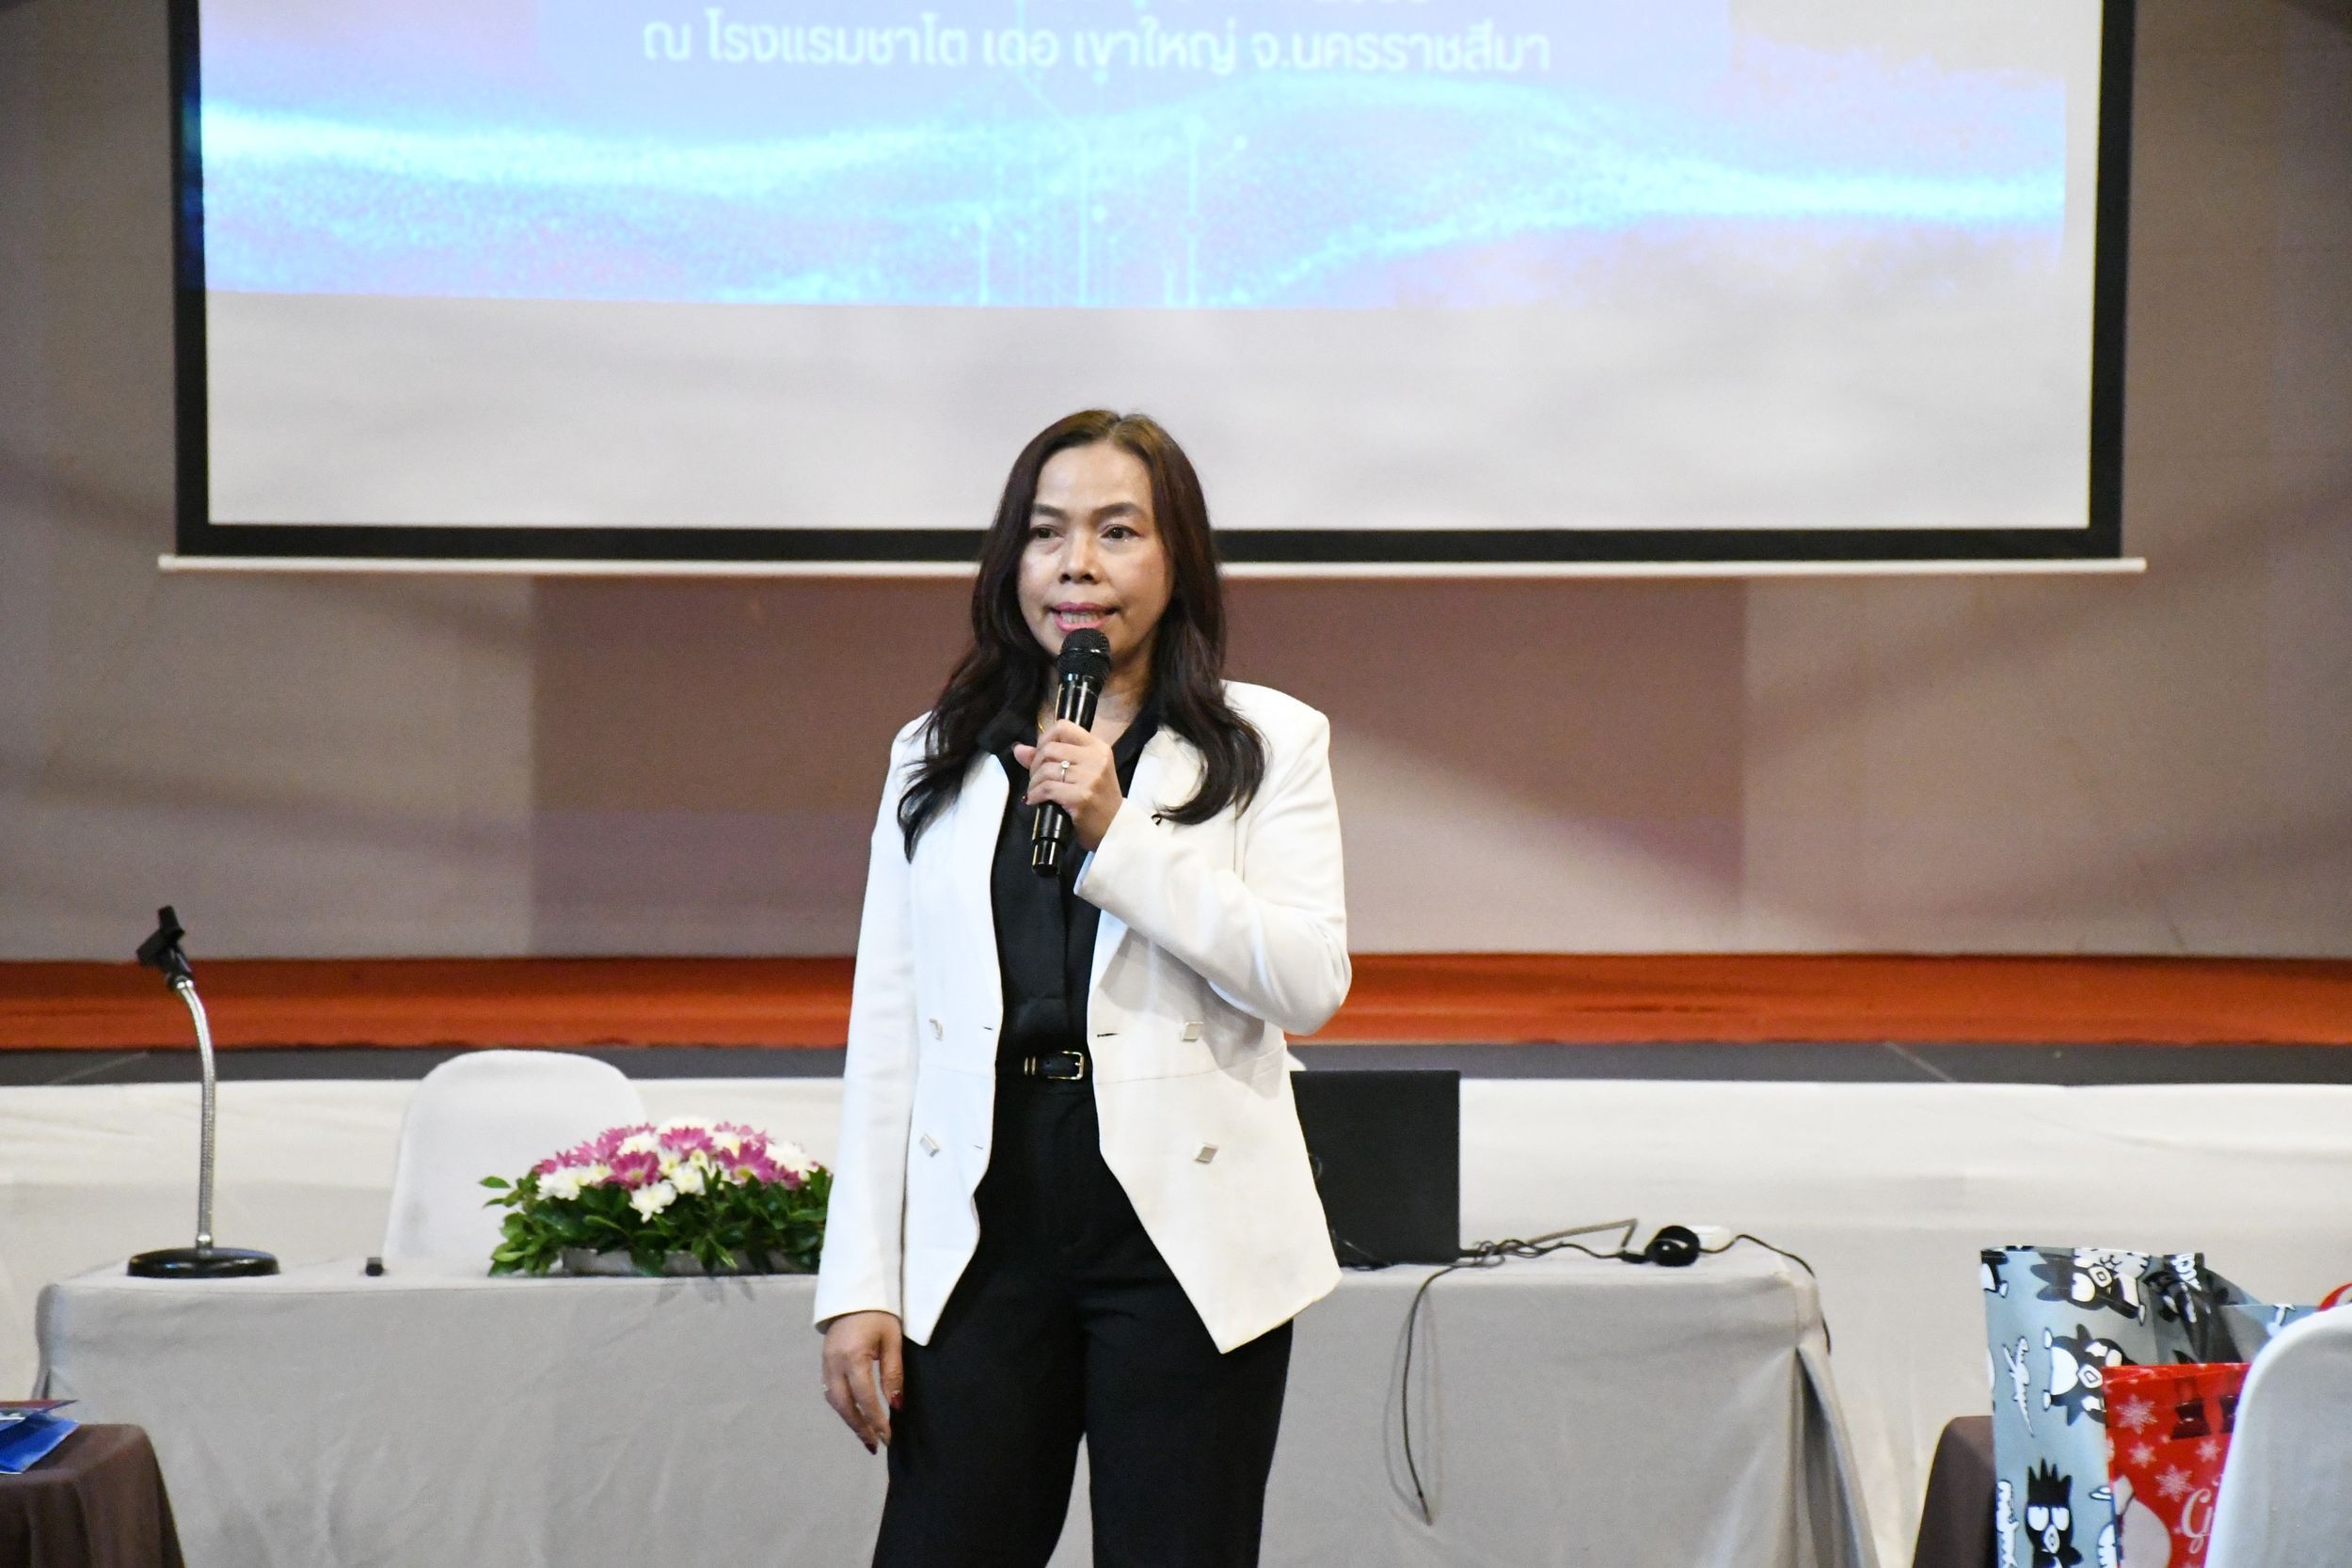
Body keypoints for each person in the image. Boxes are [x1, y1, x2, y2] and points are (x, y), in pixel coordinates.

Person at [813, 410, 1350, 1567]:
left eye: (1117, 531)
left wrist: (1118, 831)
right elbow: (890, 1026)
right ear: (1010, 560)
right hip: (987, 1213)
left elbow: (1307, 979)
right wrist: (859, 1279)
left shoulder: (1267, 741)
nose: (1077, 565)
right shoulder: (936, 751)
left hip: (1180, 1231)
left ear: (1177, 558)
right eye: (1047, 532)